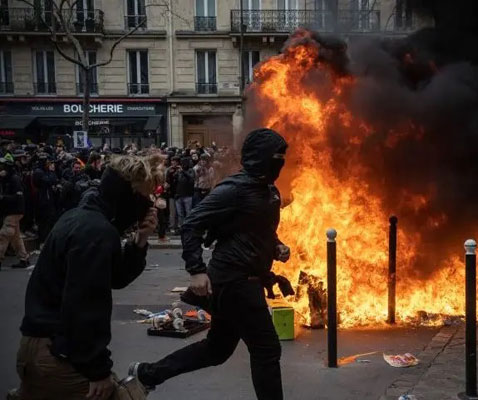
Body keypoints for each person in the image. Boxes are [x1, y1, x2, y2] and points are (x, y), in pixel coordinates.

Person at [128, 128, 291, 400]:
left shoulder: (269, 191)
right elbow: (191, 224)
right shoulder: (233, 189)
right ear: (260, 157)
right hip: (235, 281)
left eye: (283, 158)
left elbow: (260, 230)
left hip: (245, 280)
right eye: (276, 157)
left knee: (217, 350)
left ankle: (147, 374)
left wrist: (277, 246)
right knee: (267, 349)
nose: (281, 163)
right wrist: (196, 270)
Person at [12, 154, 162, 400]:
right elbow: (84, 306)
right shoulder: (95, 232)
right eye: (146, 197)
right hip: (57, 352)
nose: (149, 205)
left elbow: (115, 277)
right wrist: (97, 370)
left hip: (41, 348)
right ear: (128, 196)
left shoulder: (84, 219)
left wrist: (140, 241)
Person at [0, 157, 30, 270]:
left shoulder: (14, 179)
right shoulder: (7, 179)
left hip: (14, 211)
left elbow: (18, 197)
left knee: (4, 235)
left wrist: (3, 198)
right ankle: (23, 258)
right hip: (12, 211)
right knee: (16, 237)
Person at [173, 157, 194, 230]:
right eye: (182, 163)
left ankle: (188, 227)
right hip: (179, 195)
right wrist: (176, 172)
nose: (183, 165)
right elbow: (174, 179)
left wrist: (183, 171)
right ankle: (181, 227)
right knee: (180, 213)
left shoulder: (191, 170)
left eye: (184, 163)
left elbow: (191, 179)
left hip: (188, 195)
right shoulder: (179, 171)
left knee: (188, 212)